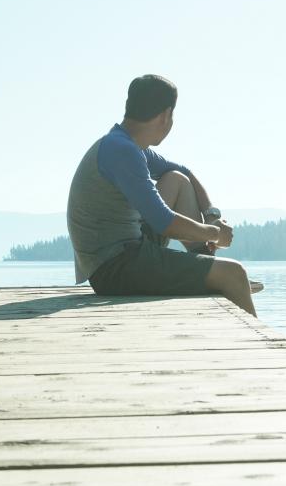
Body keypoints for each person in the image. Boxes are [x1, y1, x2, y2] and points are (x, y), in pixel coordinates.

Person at [66, 74, 257, 316]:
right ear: (166, 115)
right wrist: (215, 233)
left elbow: (183, 171)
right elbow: (163, 222)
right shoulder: (122, 151)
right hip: (114, 268)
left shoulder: (126, 144)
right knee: (235, 274)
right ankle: (218, 276)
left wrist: (211, 215)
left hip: (129, 252)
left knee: (177, 179)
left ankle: (205, 266)